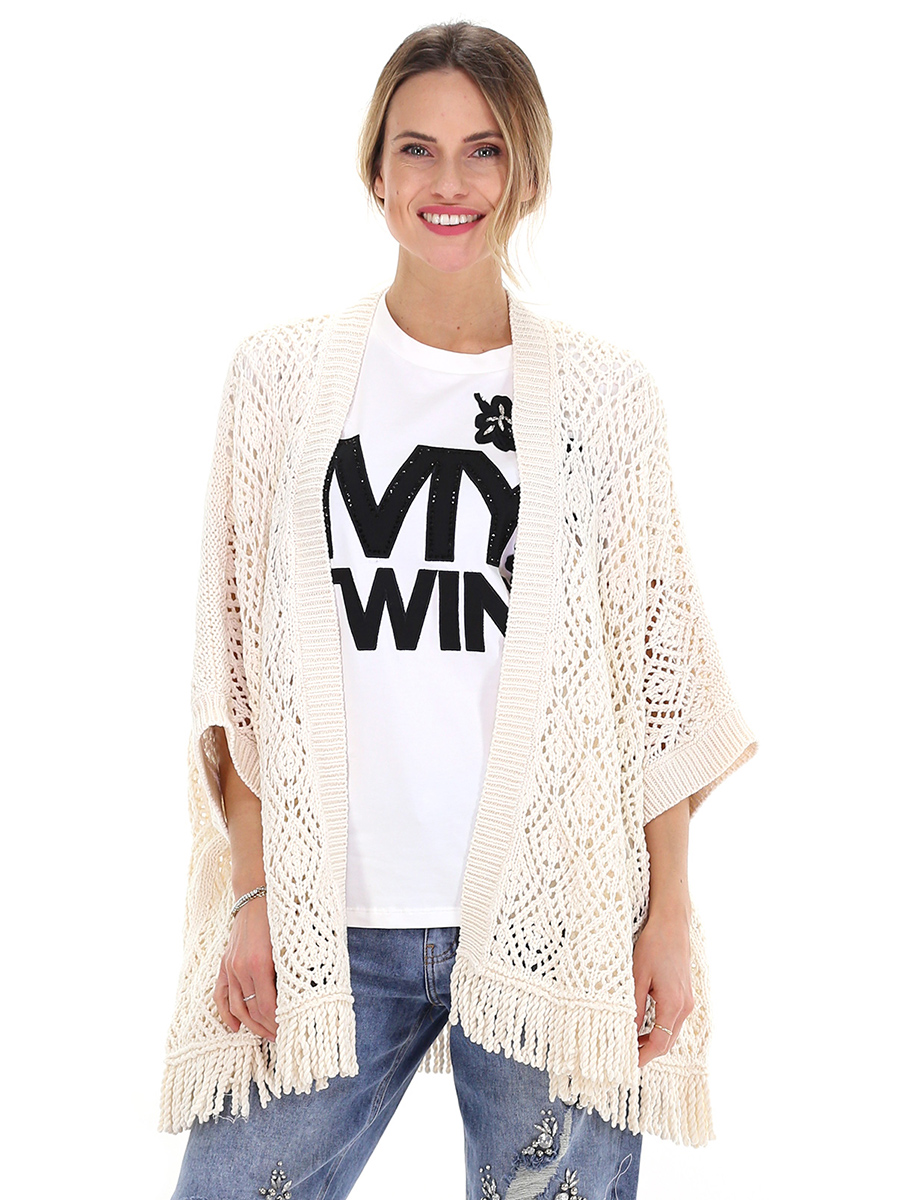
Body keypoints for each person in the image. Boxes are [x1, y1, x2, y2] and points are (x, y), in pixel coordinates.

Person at [163, 21, 757, 1200]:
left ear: (525, 174)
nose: (449, 183)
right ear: (374, 168)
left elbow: (652, 678)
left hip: (556, 926)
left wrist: (667, 917)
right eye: (417, 148)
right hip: (332, 924)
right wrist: (253, 892)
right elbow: (239, 679)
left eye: (484, 150)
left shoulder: (604, 397)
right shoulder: (280, 379)